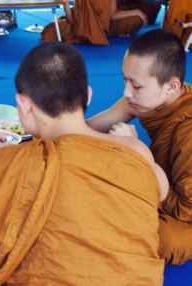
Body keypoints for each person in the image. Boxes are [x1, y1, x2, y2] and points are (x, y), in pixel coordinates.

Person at [0, 42, 168, 285]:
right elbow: (160, 192)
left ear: (23, 103)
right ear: (87, 96)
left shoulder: (12, 162)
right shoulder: (135, 152)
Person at [88, 29, 192, 265]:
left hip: (185, 211)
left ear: (172, 86)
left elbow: (184, 211)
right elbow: (87, 129)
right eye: (125, 80)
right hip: (165, 184)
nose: (126, 93)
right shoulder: (149, 98)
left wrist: (138, 152)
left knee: (159, 238)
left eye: (136, 86)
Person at [42, 0, 160, 45]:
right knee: (52, 30)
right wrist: (65, 4)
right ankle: (98, 33)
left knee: (135, 20)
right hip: (86, 26)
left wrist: (137, 12)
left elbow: (113, 15)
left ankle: (104, 32)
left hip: (108, 25)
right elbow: (74, 20)